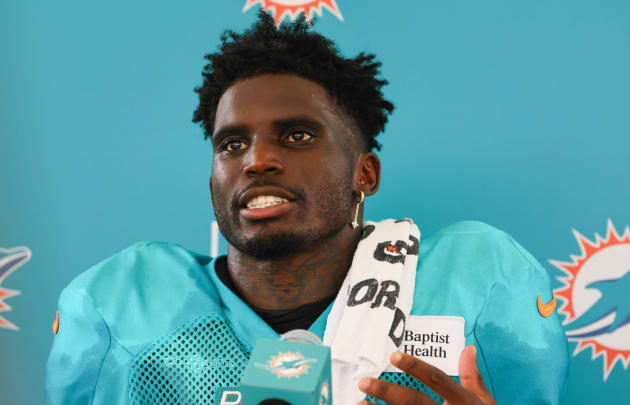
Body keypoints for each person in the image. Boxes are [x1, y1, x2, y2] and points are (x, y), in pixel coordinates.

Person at [46, 12, 568, 405]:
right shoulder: (124, 306)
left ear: (366, 174)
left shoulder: (476, 284)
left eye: (297, 135)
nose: (257, 161)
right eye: (231, 144)